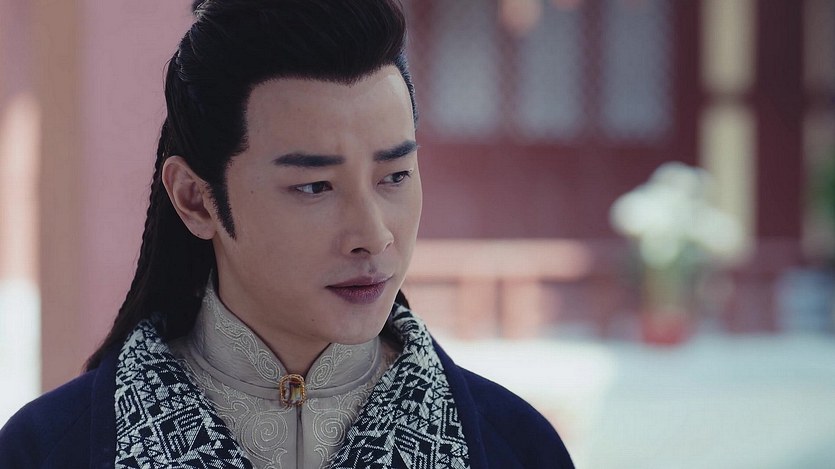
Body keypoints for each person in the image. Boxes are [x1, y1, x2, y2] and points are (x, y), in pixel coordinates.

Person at [0, 1, 574, 467]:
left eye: (395, 176)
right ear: (195, 199)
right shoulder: (45, 451)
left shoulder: (517, 447)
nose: (374, 236)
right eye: (314, 186)